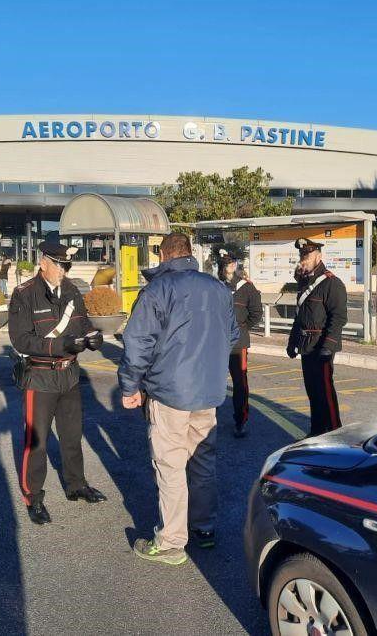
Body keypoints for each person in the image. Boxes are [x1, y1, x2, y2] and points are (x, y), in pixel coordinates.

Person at [118, 232, 238, 565]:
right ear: (188, 254)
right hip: (208, 393)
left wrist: (129, 387)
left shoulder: (157, 290)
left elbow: (137, 343)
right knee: (202, 461)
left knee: (170, 465)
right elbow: (231, 336)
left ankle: (171, 541)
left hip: (170, 392)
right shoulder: (218, 289)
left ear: (164, 255)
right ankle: (204, 527)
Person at [8, 241, 106, 525]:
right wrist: (61, 345)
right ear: (43, 263)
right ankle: (33, 496)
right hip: (40, 376)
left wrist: (92, 336)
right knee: (36, 442)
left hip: (69, 376)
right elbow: (21, 340)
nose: (64, 270)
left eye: (66, 265)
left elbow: (82, 323)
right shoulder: (24, 294)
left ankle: (76, 485)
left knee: (72, 436)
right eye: (59, 265)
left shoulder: (72, 290)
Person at [287, 238, 347, 437]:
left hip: (321, 344)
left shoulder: (331, 283)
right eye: (302, 255)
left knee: (325, 392)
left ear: (318, 256)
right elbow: (301, 315)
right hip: (306, 344)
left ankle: (334, 432)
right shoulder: (304, 282)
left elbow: (338, 317)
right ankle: (317, 430)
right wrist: (292, 341)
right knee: (312, 391)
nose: (303, 259)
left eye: (307, 255)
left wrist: (328, 346)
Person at [217, 250, 263, 438]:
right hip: (216, 342)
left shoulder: (246, 288)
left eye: (230, 263)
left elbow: (256, 314)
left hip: (238, 343)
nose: (227, 266)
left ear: (235, 265)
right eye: (224, 263)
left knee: (240, 383)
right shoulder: (215, 286)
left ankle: (240, 420)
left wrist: (241, 328)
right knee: (212, 381)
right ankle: (208, 418)